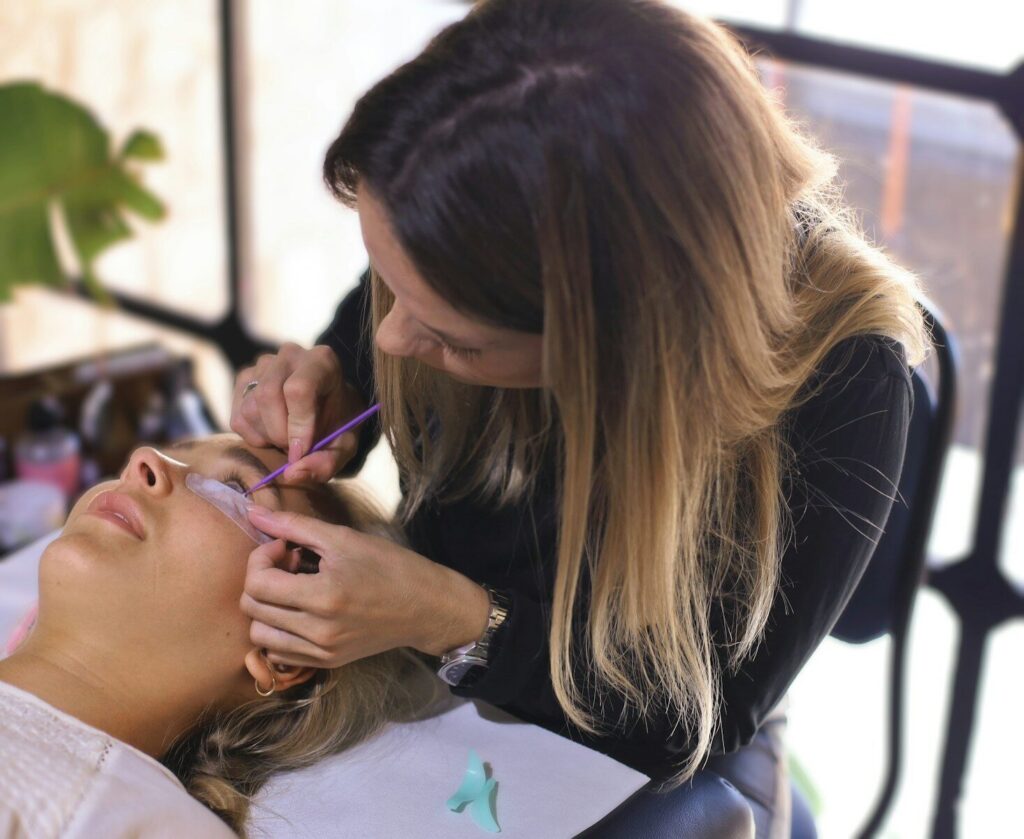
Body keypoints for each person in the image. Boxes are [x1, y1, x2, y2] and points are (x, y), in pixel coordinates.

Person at [229, 0, 931, 831]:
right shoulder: (472, 228)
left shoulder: (843, 377)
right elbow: (363, 352)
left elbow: (687, 724)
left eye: (449, 336)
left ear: (620, 338)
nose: (390, 334)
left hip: (648, 743)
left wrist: (453, 619)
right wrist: (332, 392)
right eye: (389, 281)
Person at [0, 435, 438, 837]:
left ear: (284, 648)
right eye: (174, 452)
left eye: (235, 491)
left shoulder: (126, 822)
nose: (144, 459)